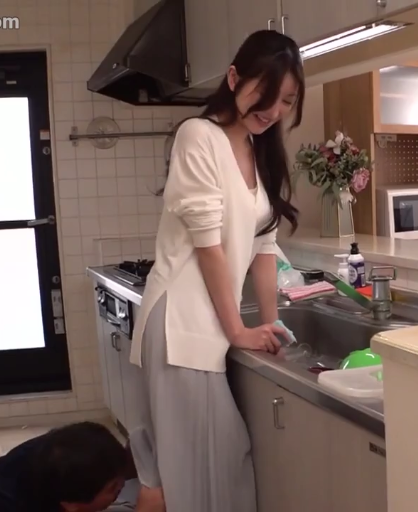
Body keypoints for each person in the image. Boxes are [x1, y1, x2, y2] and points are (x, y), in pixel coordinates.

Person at [126, 29, 304, 512]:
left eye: (287, 101)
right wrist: (238, 330)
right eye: (264, 93)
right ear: (233, 78)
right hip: (182, 326)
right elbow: (208, 248)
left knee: (193, 476)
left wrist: (271, 323)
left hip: (205, 329)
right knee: (201, 475)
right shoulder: (198, 136)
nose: (273, 110)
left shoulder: (258, 150)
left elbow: (264, 247)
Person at [0, 421, 134, 512]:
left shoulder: (66, 451)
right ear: (71, 505)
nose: (122, 486)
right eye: (112, 488)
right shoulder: (8, 502)